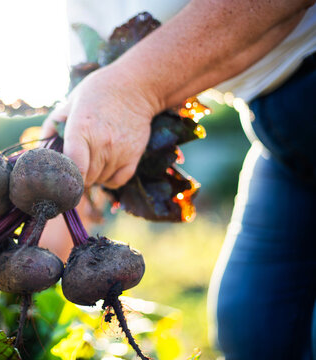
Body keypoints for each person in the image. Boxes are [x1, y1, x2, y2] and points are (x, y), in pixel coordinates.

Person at [40, 0, 316, 358]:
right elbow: (83, 158)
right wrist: (17, 295)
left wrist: (136, 87)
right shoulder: (81, 12)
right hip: (277, 131)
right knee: (250, 329)